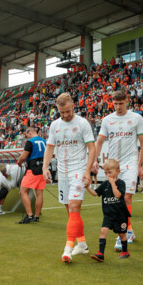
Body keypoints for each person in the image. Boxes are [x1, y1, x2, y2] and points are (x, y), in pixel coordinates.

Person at [42, 93, 95, 263]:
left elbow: (92, 148)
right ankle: (82, 245)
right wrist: (45, 167)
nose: (65, 115)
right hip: (63, 172)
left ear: (73, 105)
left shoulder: (82, 123)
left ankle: (67, 249)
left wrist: (87, 171)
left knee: (74, 205)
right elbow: (50, 147)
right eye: (61, 112)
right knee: (70, 210)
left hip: (78, 170)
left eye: (67, 111)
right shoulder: (55, 125)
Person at [93, 90, 143, 250]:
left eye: (121, 103)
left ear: (127, 101)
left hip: (130, 163)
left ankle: (123, 231)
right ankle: (128, 229)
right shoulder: (107, 120)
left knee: (127, 198)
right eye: (115, 104)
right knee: (117, 199)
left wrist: (142, 165)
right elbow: (99, 141)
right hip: (113, 165)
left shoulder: (136, 118)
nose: (118, 107)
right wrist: (94, 160)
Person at [87, 159, 131, 262]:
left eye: (110, 172)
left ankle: (125, 251)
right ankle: (101, 254)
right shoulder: (105, 184)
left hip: (120, 215)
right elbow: (95, 193)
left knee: (121, 235)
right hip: (108, 214)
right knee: (103, 231)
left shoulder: (121, 183)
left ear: (118, 172)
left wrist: (112, 183)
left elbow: (118, 195)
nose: (107, 175)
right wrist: (87, 187)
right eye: (106, 173)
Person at [17, 127, 46, 223]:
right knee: (39, 193)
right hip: (42, 169)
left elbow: (24, 156)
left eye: (26, 135)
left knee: (23, 191)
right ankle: (36, 216)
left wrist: (19, 162)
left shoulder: (30, 142)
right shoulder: (44, 141)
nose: (26, 137)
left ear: (29, 133)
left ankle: (29, 215)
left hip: (32, 169)